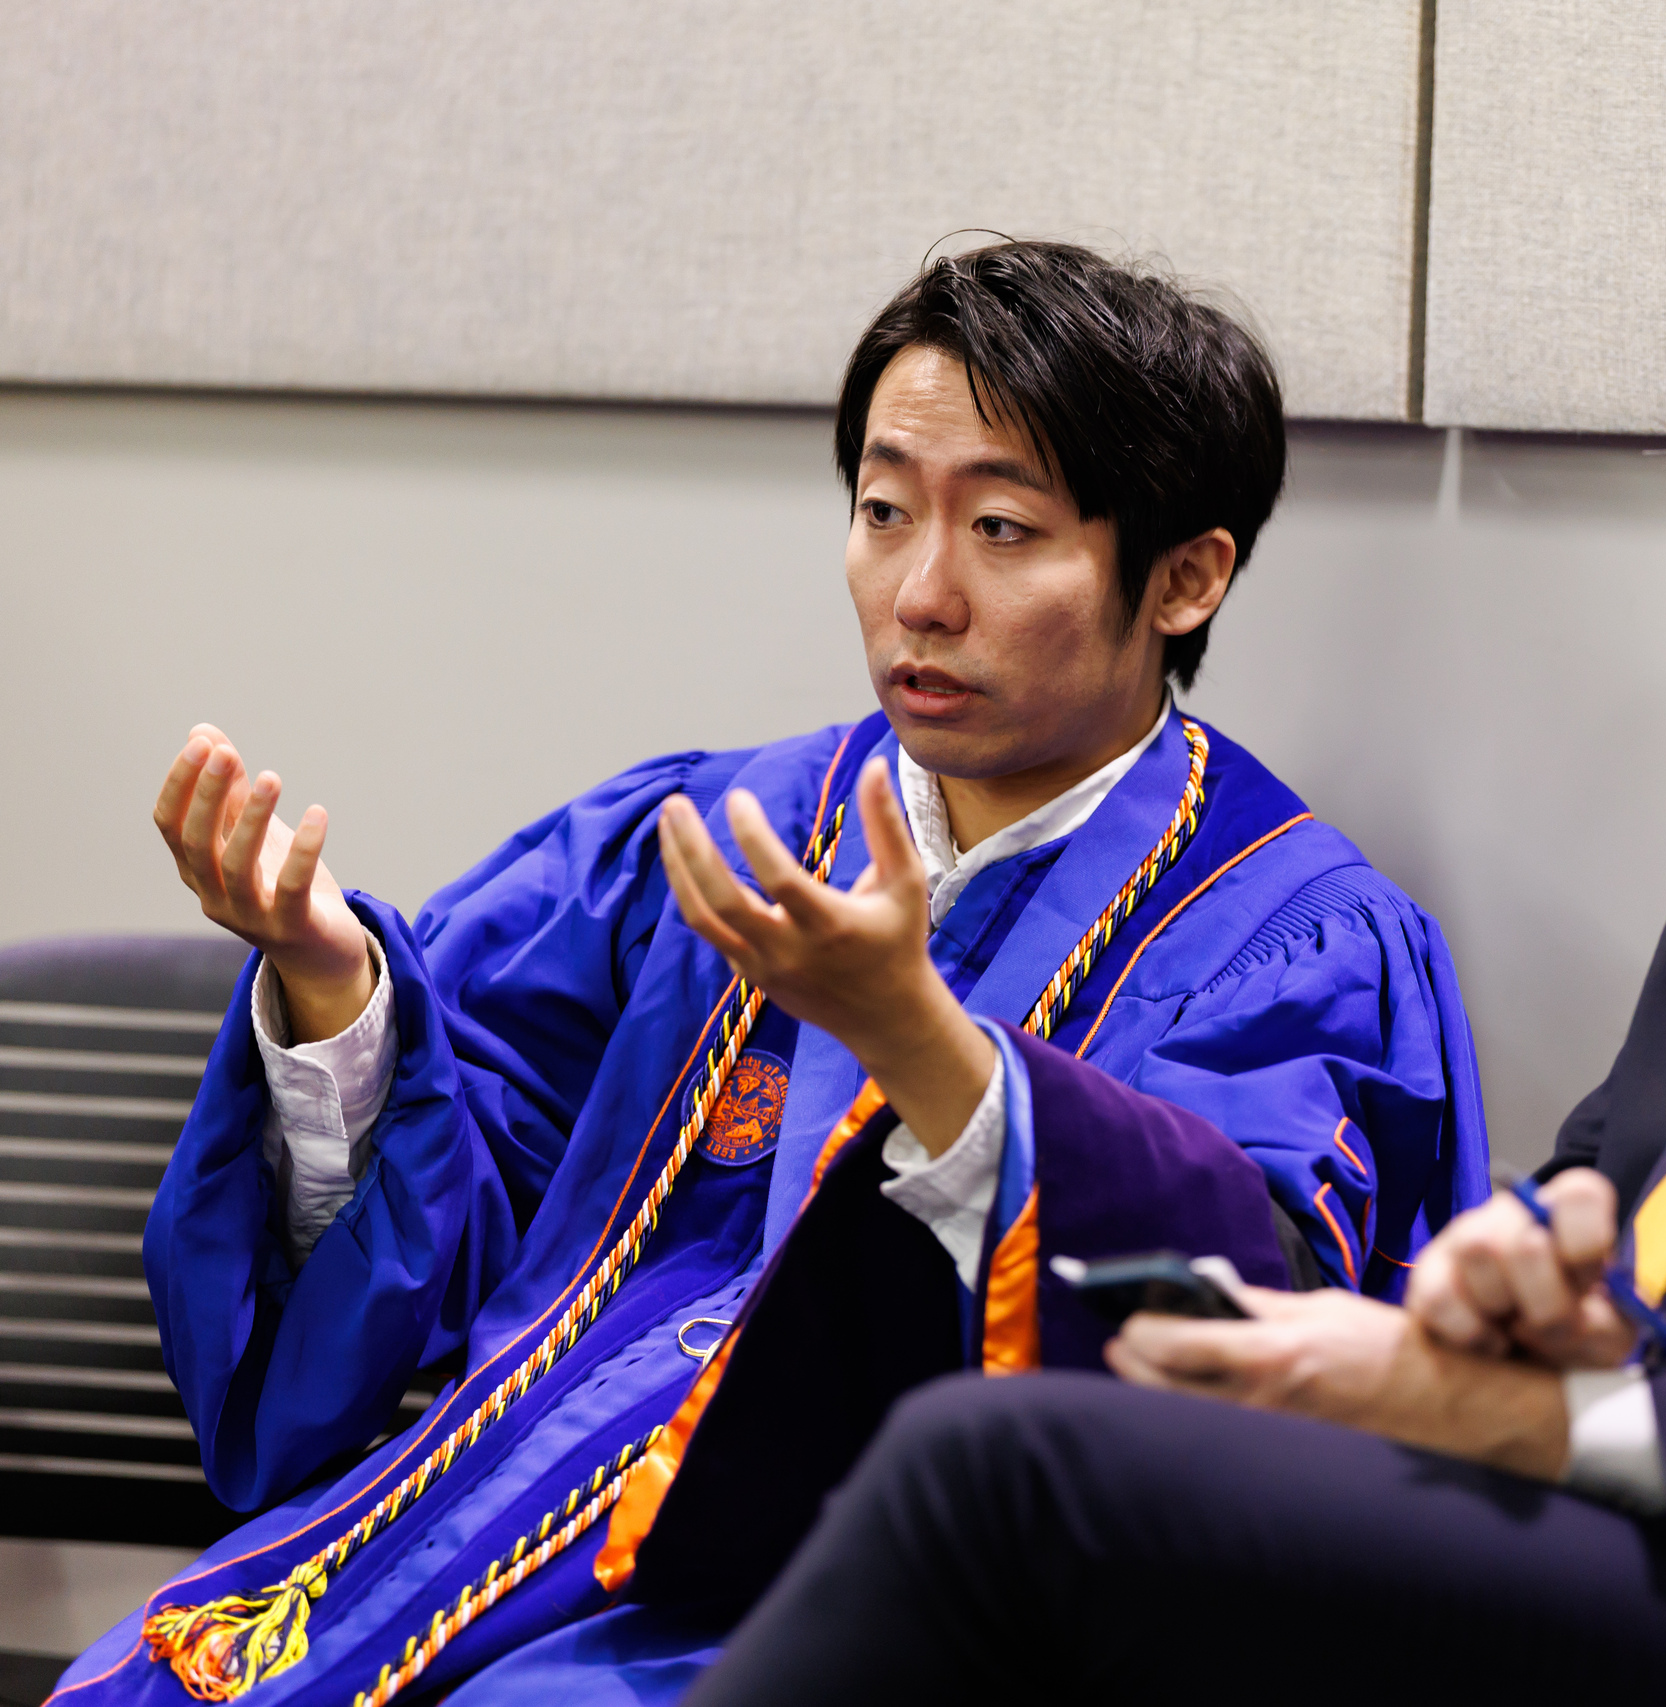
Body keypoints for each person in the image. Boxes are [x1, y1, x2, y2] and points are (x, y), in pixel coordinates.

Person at [682, 249, 1666, 1707]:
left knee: (997, 1474)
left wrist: (1562, 1415)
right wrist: (1498, 1291)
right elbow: (1593, 1195)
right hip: (1561, 1522)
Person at [52, 241, 1488, 1707]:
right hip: (483, 1516)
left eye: (1001, 527)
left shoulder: (1286, 938)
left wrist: (922, 1045)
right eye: (882, 510)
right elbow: (472, 1181)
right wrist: (334, 991)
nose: (920, 593)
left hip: (873, 1608)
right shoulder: (707, 838)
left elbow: (1243, 1335)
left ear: (1185, 577)